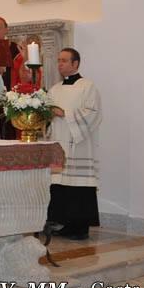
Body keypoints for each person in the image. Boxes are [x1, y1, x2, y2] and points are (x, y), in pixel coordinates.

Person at [46, 49, 102, 241]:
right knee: (59, 184)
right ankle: (61, 224)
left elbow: (93, 112)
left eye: (64, 60)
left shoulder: (87, 86)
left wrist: (64, 113)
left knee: (78, 186)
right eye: (58, 60)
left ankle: (79, 228)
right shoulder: (54, 89)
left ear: (75, 64)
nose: (60, 64)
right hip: (59, 142)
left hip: (78, 144)